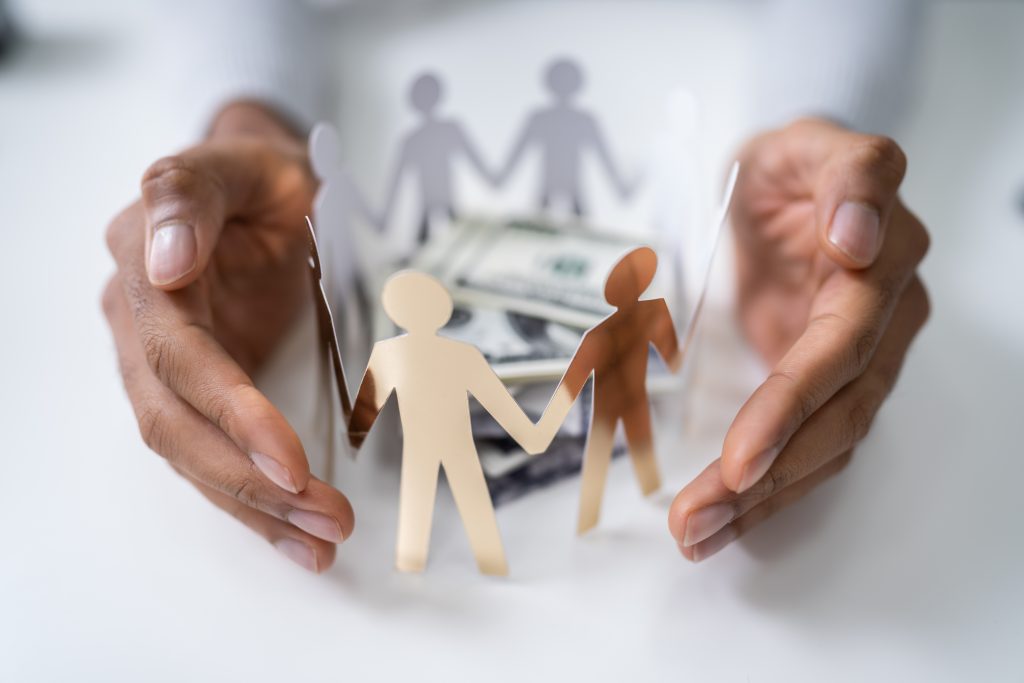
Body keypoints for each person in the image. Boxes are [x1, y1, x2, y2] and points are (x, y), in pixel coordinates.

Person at [102, 0, 930, 572]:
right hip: (476, 429)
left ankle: (535, 517)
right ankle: (516, 531)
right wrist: (246, 113)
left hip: (531, 417)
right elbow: (487, 394)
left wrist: (823, 118)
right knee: (493, 480)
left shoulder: (429, 347)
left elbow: (396, 402)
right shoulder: (556, 335)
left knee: (518, 475)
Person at [346, 271, 552, 576]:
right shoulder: (458, 353)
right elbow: (500, 404)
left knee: (430, 502)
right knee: (466, 501)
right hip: (448, 444)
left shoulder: (391, 353)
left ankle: (420, 562)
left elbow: (363, 415)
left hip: (429, 444)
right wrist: (530, 435)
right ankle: (485, 563)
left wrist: (349, 443)